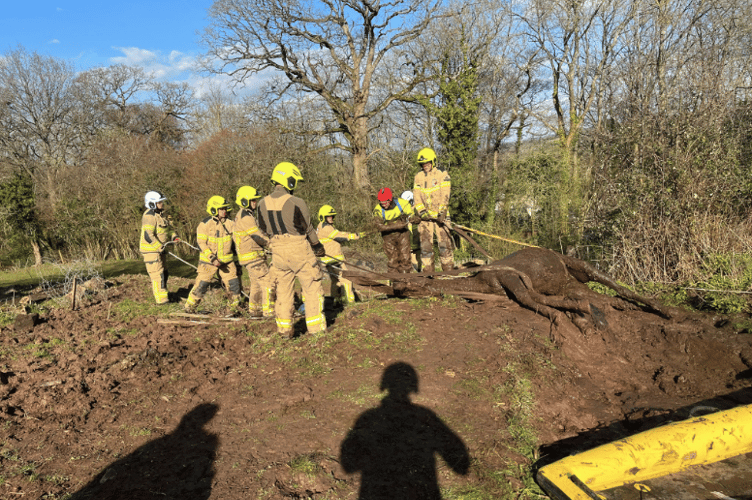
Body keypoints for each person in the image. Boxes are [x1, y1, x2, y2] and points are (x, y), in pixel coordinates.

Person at [256, 162, 326, 338]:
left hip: (277, 251)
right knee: (311, 287)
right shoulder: (296, 202)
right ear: (289, 180)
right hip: (299, 249)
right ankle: (316, 329)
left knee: (283, 292)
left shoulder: (261, 203)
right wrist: (318, 247)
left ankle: (285, 330)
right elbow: (308, 228)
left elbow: (263, 228)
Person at [184, 196, 242, 313]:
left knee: (234, 285)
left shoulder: (231, 224)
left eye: (225, 208)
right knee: (202, 285)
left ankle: (234, 309)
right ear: (214, 210)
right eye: (221, 209)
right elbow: (201, 243)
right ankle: (189, 308)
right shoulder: (204, 224)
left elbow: (238, 240)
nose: (224, 211)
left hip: (227, 262)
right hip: (208, 262)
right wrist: (212, 258)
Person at [233, 186, 274, 318]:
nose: (255, 203)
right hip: (253, 257)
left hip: (250, 257)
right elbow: (257, 236)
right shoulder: (245, 217)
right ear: (245, 201)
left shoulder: (245, 215)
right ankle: (269, 311)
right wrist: (272, 245)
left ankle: (255, 311)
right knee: (268, 283)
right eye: (253, 200)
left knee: (256, 285)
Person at [413, 147, 454, 272]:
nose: (425, 166)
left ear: (433, 162)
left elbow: (445, 194)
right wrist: (422, 212)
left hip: (441, 215)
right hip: (425, 218)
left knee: (444, 246)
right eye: (422, 164)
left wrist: (442, 212)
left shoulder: (442, 174)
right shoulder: (418, 177)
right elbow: (417, 197)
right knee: (425, 247)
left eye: (427, 163)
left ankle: (449, 274)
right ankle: (428, 275)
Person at [317, 204, 363, 304]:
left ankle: (336, 301)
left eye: (332, 216)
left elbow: (339, 233)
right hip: (334, 260)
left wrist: (351, 234)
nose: (332, 218)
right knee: (347, 279)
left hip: (329, 261)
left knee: (336, 282)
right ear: (323, 217)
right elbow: (340, 237)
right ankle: (350, 302)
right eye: (329, 216)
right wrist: (356, 236)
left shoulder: (323, 227)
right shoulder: (326, 228)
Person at [140, 191, 179, 304]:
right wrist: (159, 247)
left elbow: (168, 229)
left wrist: (174, 237)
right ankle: (162, 301)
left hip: (160, 250)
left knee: (164, 273)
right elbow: (148, 235)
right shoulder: (149, 216)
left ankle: (164, 295)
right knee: (158, 275)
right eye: (159, 202)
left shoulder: (161, 215)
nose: (162, 204)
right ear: (152, 203)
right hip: (151, 251)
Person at [372, 187, 414, 274]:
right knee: (392, 260)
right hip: (388, 237)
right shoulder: (378, 210)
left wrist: (414, 218)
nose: (383, 204)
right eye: (381, 201)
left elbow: (411, 214)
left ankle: (406, 280)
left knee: (405, 258)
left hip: (403, 234)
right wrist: (396, 226)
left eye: (385, 201)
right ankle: (395, 282)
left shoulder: (402, 203)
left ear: (390, 199)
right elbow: (380, 227)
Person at [400, 190, 422, 273]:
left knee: (419, 253)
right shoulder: (404, 210)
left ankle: (422, 271)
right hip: (409, 237)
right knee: (412, 254)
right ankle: (418, 271)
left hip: (418, 234)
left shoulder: (418, 208)